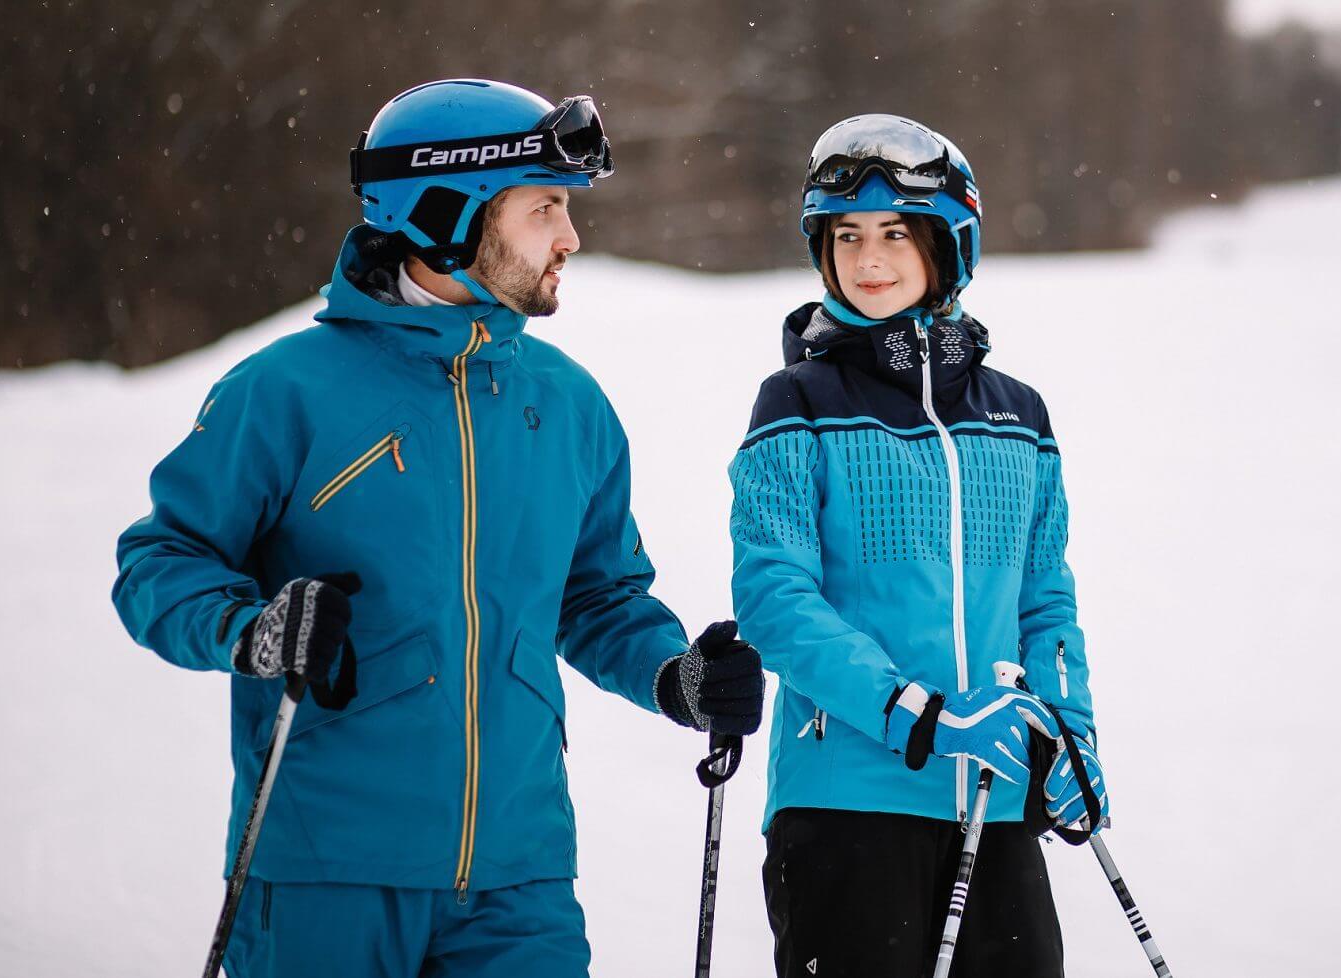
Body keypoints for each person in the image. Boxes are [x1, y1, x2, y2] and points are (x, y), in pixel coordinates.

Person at [112, 78, 763, 978]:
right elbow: (162, 559)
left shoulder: (566, 404)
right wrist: (252, 630)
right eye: (545, 209)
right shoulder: (287, 391)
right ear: (447, 212)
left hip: (518, 881)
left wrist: (672, 674)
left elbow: (597, 595)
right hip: (322, 871)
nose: (571, 238)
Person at [728, 114, 1111, 978]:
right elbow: (776, 600)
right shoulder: (797, 402)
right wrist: (916, 712)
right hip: (846, 808)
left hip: (997, 810)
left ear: (950, 245)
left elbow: (1043, 600)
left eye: (896, 234)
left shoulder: (1021, 416)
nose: (868, 261)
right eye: (848, 236)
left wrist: (1070, 736)